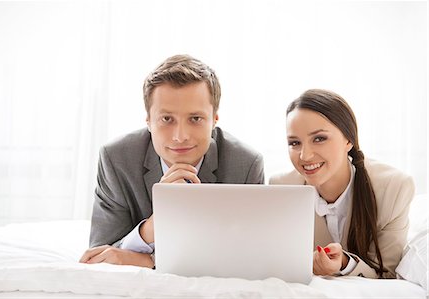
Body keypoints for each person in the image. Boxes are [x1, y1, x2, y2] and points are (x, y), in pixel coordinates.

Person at [79, 54, 264, 268]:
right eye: (167, 119)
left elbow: (246, 256)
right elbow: (100, 254)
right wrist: (152, 227)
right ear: (148, 120)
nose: (180, 136)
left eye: (195, 119)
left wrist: (149, 260)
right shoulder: (117, 159)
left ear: (214, 120)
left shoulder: (245, 165)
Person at [269, 89, 414, 278]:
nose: (305, 156)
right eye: (295, 143)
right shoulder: (281, 187)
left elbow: (386, 274)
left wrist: (345, 264)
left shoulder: (394, 188)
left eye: (319, 139)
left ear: (349, 140)